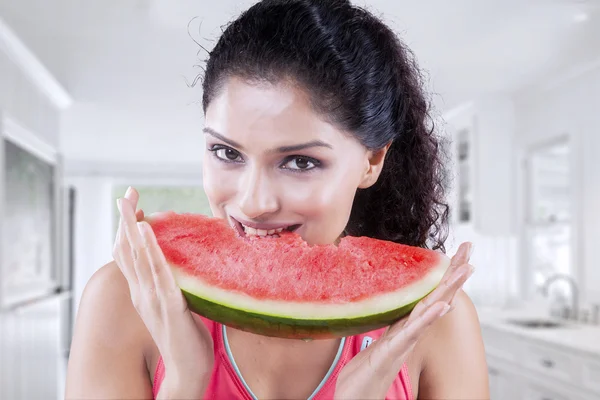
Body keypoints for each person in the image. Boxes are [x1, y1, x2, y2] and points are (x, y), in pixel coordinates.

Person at [65, 0, 489, 399]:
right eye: (227, 153)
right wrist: (183, 380)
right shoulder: (121, 303)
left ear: (372, 161)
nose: (253, 203)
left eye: (300, 162)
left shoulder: (438, 322)